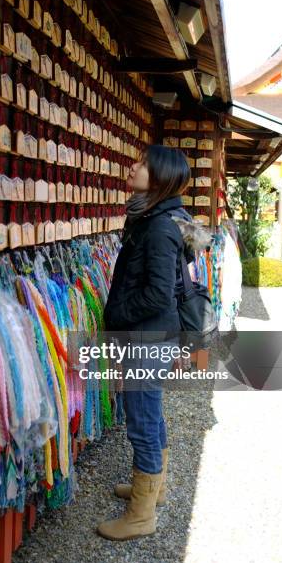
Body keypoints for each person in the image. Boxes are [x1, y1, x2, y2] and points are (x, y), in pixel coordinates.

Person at [97, 144, 198, 541]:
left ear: (158, 177)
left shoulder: (158, 226)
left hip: (147, 335)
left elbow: (158, 293)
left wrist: (116, 316)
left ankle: (141, 515)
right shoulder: (165, 217)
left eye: (142, 163)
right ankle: (152, 490)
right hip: (155, 333)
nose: (133, 166)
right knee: (150, 412)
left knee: (141, 418)